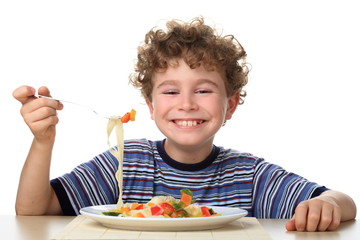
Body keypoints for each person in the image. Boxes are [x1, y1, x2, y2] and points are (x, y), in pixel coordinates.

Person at [13, 17, 356, 232]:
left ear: (230, 105)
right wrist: (43, 141)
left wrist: (326, 204)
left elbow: (343, 202)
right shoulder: (125, 161)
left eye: (204, 90)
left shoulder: (248, 175)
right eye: (171, 90)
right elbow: (34, 211)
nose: (187, 103)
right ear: (150, 106)